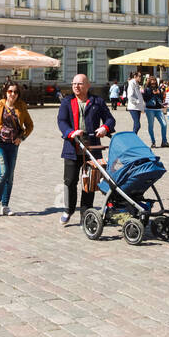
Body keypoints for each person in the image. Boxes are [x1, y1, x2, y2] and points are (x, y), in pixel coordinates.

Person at [56, 74, 115, 225]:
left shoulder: (97, 101)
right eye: (74, 83)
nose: (76, 86)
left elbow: (110, 119)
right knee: (70, 181)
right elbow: (61, 121)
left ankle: (86, 213)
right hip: (72, 147)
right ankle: (68, 210)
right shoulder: (67, 102)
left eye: (80, 84)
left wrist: (104, 127)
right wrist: (70, 132)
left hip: (92, 148)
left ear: (88, 85)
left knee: (90, 183)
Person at [0, 81, 34, 217]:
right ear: (5, 92)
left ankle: (5, 205)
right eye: (10, 91)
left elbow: (30, 125)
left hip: (13, 144)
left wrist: (22, 138)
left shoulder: (21, 106)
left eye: (15, 92)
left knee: (10, 176)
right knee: (3, 172)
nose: (13, 94)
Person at [143, 77, 169, 147]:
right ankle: (153, 142)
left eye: (154, 81)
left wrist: (159, 93)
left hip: (158, 109)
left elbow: (161, 98)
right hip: (150, 109)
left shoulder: (159, 89)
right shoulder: (146, 89)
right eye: (152, 81)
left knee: (164, 124)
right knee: (151, 126)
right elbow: (145, 99)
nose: (153, 83)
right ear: (149, 82)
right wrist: (152, 93)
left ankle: (164, 141)